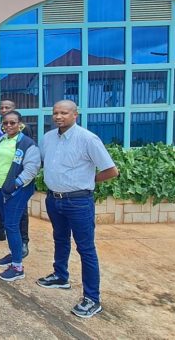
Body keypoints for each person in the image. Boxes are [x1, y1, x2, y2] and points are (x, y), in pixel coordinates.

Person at [37, 100, 119, 319]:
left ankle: (92, 298)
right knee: (60, 239)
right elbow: (44, 163)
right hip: (54, 200)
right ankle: (60, 276)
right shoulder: (48, 138)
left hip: (78, 202)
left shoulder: (88, 139)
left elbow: (111, 171)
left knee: (86, 249)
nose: (58, 116)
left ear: (75, 115)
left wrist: (88, 180)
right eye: (55, 113)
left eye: (64, 112)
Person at [0, 111, 40, 282]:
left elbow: (32, 169)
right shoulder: (3, 139)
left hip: (16, 191)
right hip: (1, 188)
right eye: (6, 123)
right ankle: (14, 253)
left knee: (11, 225)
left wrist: (15, 183)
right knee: (7, 224)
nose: (8, 126)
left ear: (20, 124)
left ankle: (17, 268)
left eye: (12, 123)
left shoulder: (27, 144)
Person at [0, 99, 31, 254]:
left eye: (8, 107)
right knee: (0, 208)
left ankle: (23, 241)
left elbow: (27, 151)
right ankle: (0, 232)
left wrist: (19, 179)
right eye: (2, 107)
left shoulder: (24, 129)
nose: (4, 109)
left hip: (15, 179)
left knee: (20, 212)